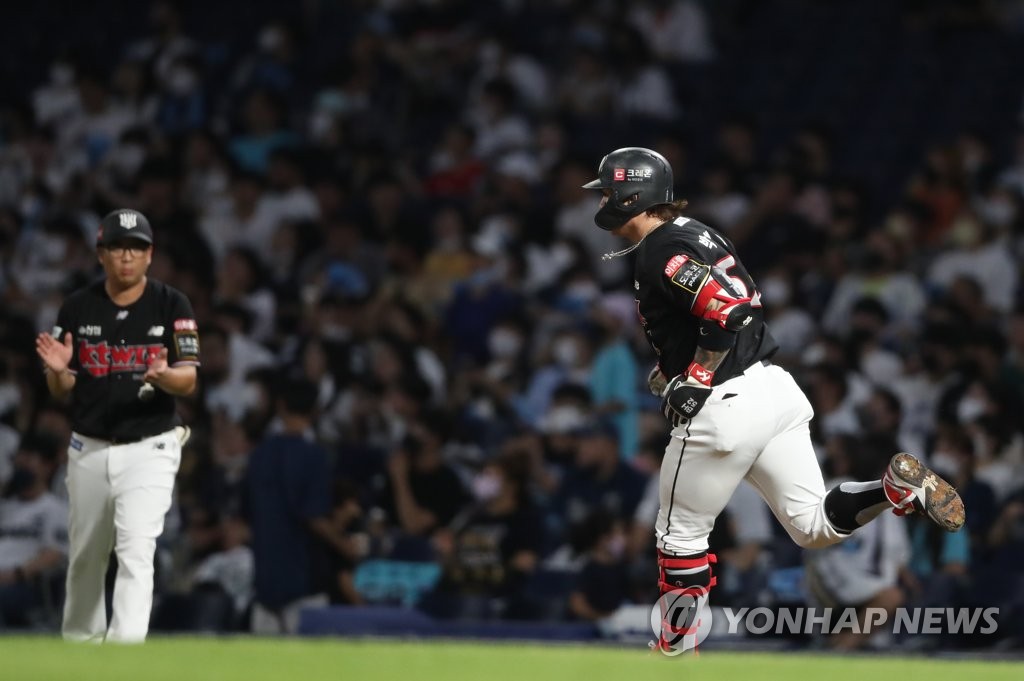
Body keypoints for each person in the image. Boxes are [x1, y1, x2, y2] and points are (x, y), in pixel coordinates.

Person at [581, 147, 965, 652]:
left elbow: (728, 312)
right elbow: (721, 313)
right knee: (814, 526)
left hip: (725, 403)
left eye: (610, 189)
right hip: (775, 390)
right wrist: (672, 365)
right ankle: (891, 489)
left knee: (680, 536)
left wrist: (696, 374)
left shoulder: (661, 247)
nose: (605, 198)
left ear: (634, 194)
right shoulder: (698, 231)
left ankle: (672, 651)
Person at [35, 208, 199, 643]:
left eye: (137, 248)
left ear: (150, 255)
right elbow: (62, 387)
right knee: (87, 556)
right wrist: (56, 372)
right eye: (118, 247)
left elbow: (189, 378)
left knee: (136, 551)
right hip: (88, 447)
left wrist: (165, 376)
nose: (127, 256)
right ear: (101, 254)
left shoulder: (172, 303)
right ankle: (81, 652)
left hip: (151, 447)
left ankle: (124, 659)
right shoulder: (77, 306)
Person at [0, 433, 68, 628]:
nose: (21, 467)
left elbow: (54, 555)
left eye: (28, 461)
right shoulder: (5, 507)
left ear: (47, 467)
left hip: (28, 585)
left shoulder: (55, 509)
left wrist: (15, 574)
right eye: (19, 462)